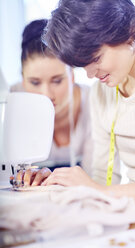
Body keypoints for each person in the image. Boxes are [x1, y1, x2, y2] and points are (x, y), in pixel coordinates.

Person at [38, 0, 135, 219]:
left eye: (96, 58)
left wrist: (103, 191)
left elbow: (104, 190)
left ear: (131, 33)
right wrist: (57, 186)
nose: (89, 75)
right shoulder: (100, 93)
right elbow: (101, 179)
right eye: (82, 65)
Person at [13, 19, 93, 186]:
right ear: (22, 80)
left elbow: (102, 182)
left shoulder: (94, 103)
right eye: (34, 82)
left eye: (57, 81)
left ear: (72, 75)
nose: (46, 94)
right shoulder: (12, 102)